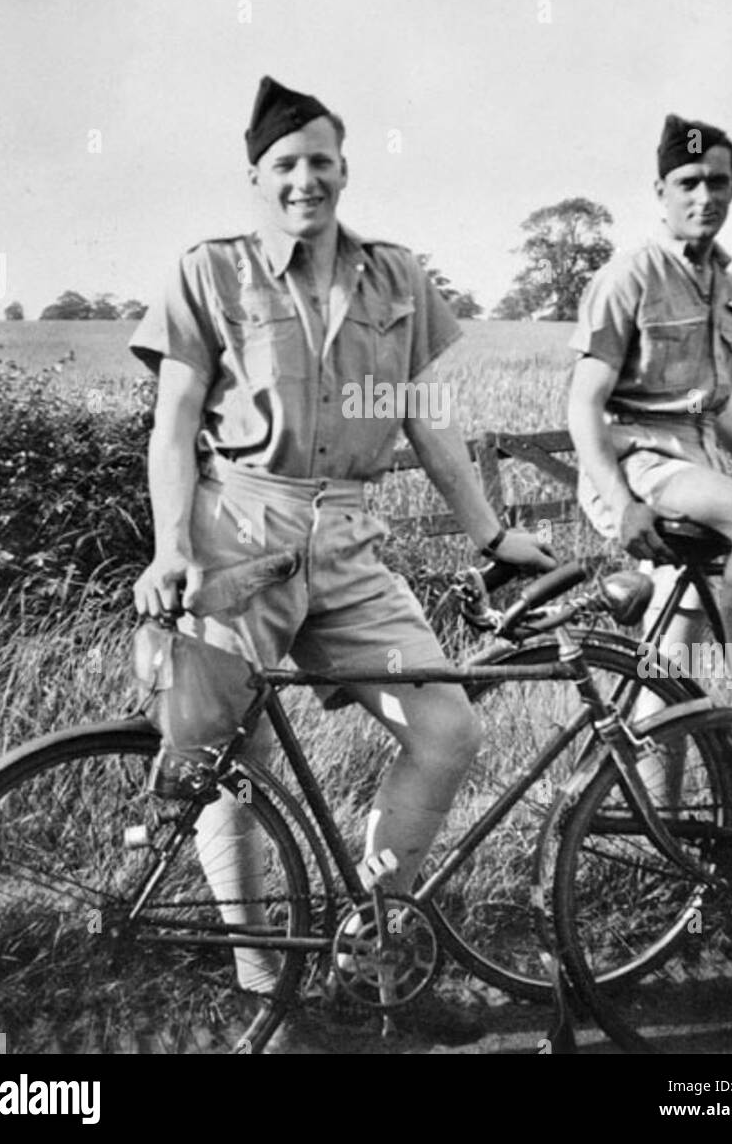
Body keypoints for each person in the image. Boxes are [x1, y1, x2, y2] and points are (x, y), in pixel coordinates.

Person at [129, 75, 555, 1044]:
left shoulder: (396, 277)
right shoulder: (211, 272)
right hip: (239, 533)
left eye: (321, 161)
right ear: (254, 177)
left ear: (344, 169)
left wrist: (490, 534)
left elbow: (427, 425)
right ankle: (263, 999)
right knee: (229, 769)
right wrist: (167, 551)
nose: (305, 179)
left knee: (446, 729)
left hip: (354, 541)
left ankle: (368, 957)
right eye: (285, 163)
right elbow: (173, 430)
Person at [567, 112, 732, 804]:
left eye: (717, 182)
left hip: (690, 467)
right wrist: (622, 501)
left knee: (672, 655)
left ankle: (657, 824)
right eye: (687, 182)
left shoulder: (722, 282)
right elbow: (582, 406)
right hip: (634, 464)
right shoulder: (628, 276)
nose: (704, 196)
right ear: (659, 191)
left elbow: (712, 406)